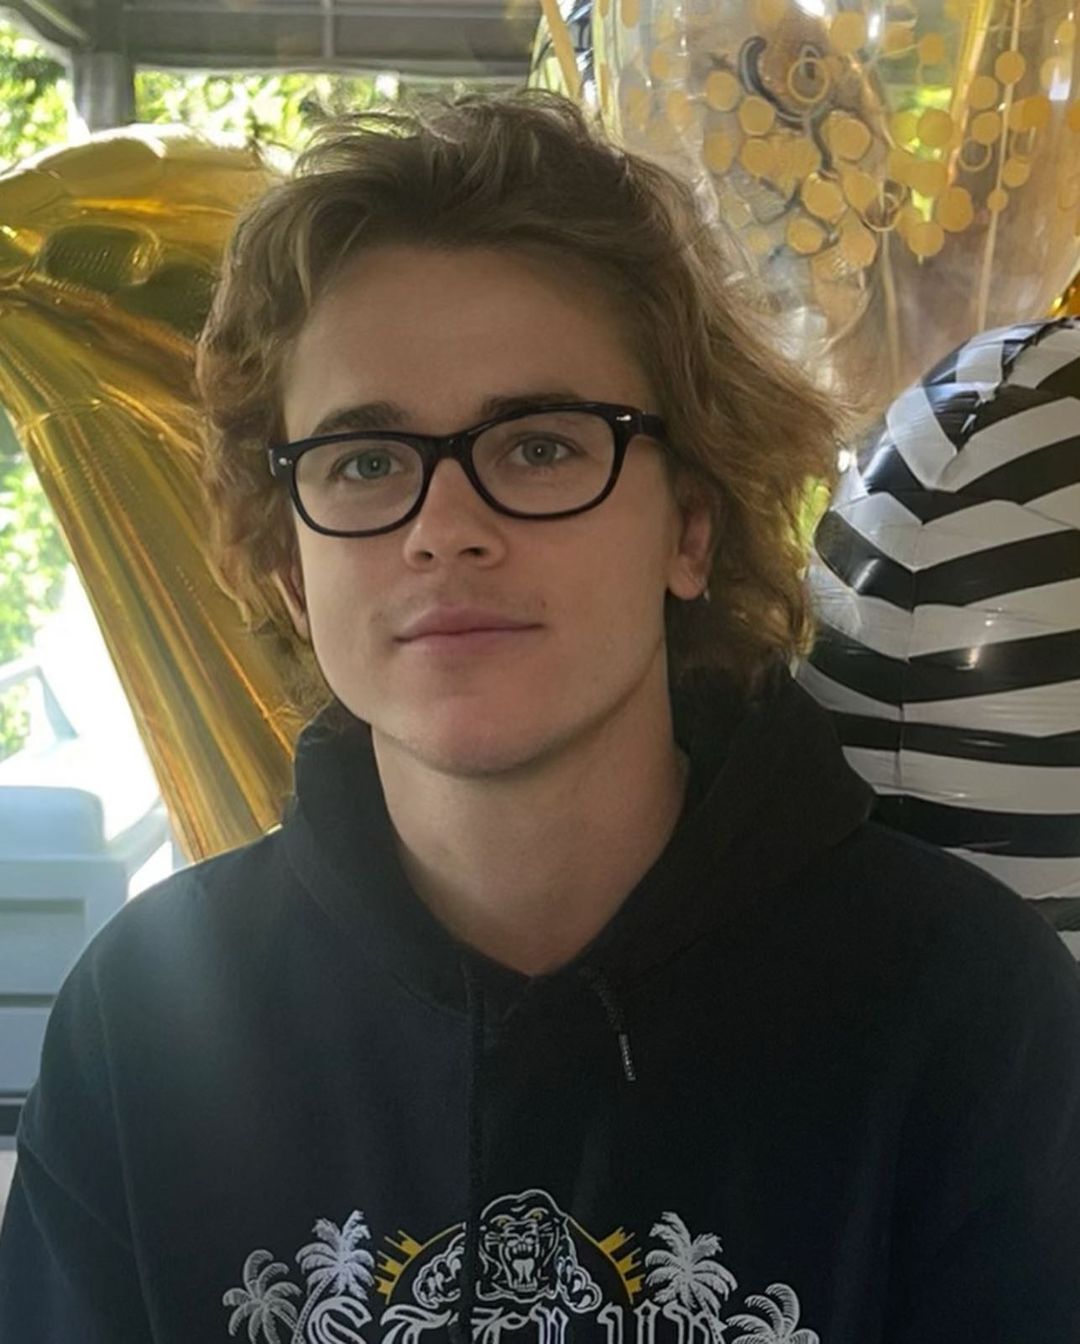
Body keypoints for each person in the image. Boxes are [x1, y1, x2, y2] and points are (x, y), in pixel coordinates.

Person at [1, 91, 1078, 1344]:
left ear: (691, 525)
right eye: (365, 463)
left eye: (541, 447)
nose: (444, 528)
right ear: (292, 569)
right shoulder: (144, 1025)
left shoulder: (965, 1011)